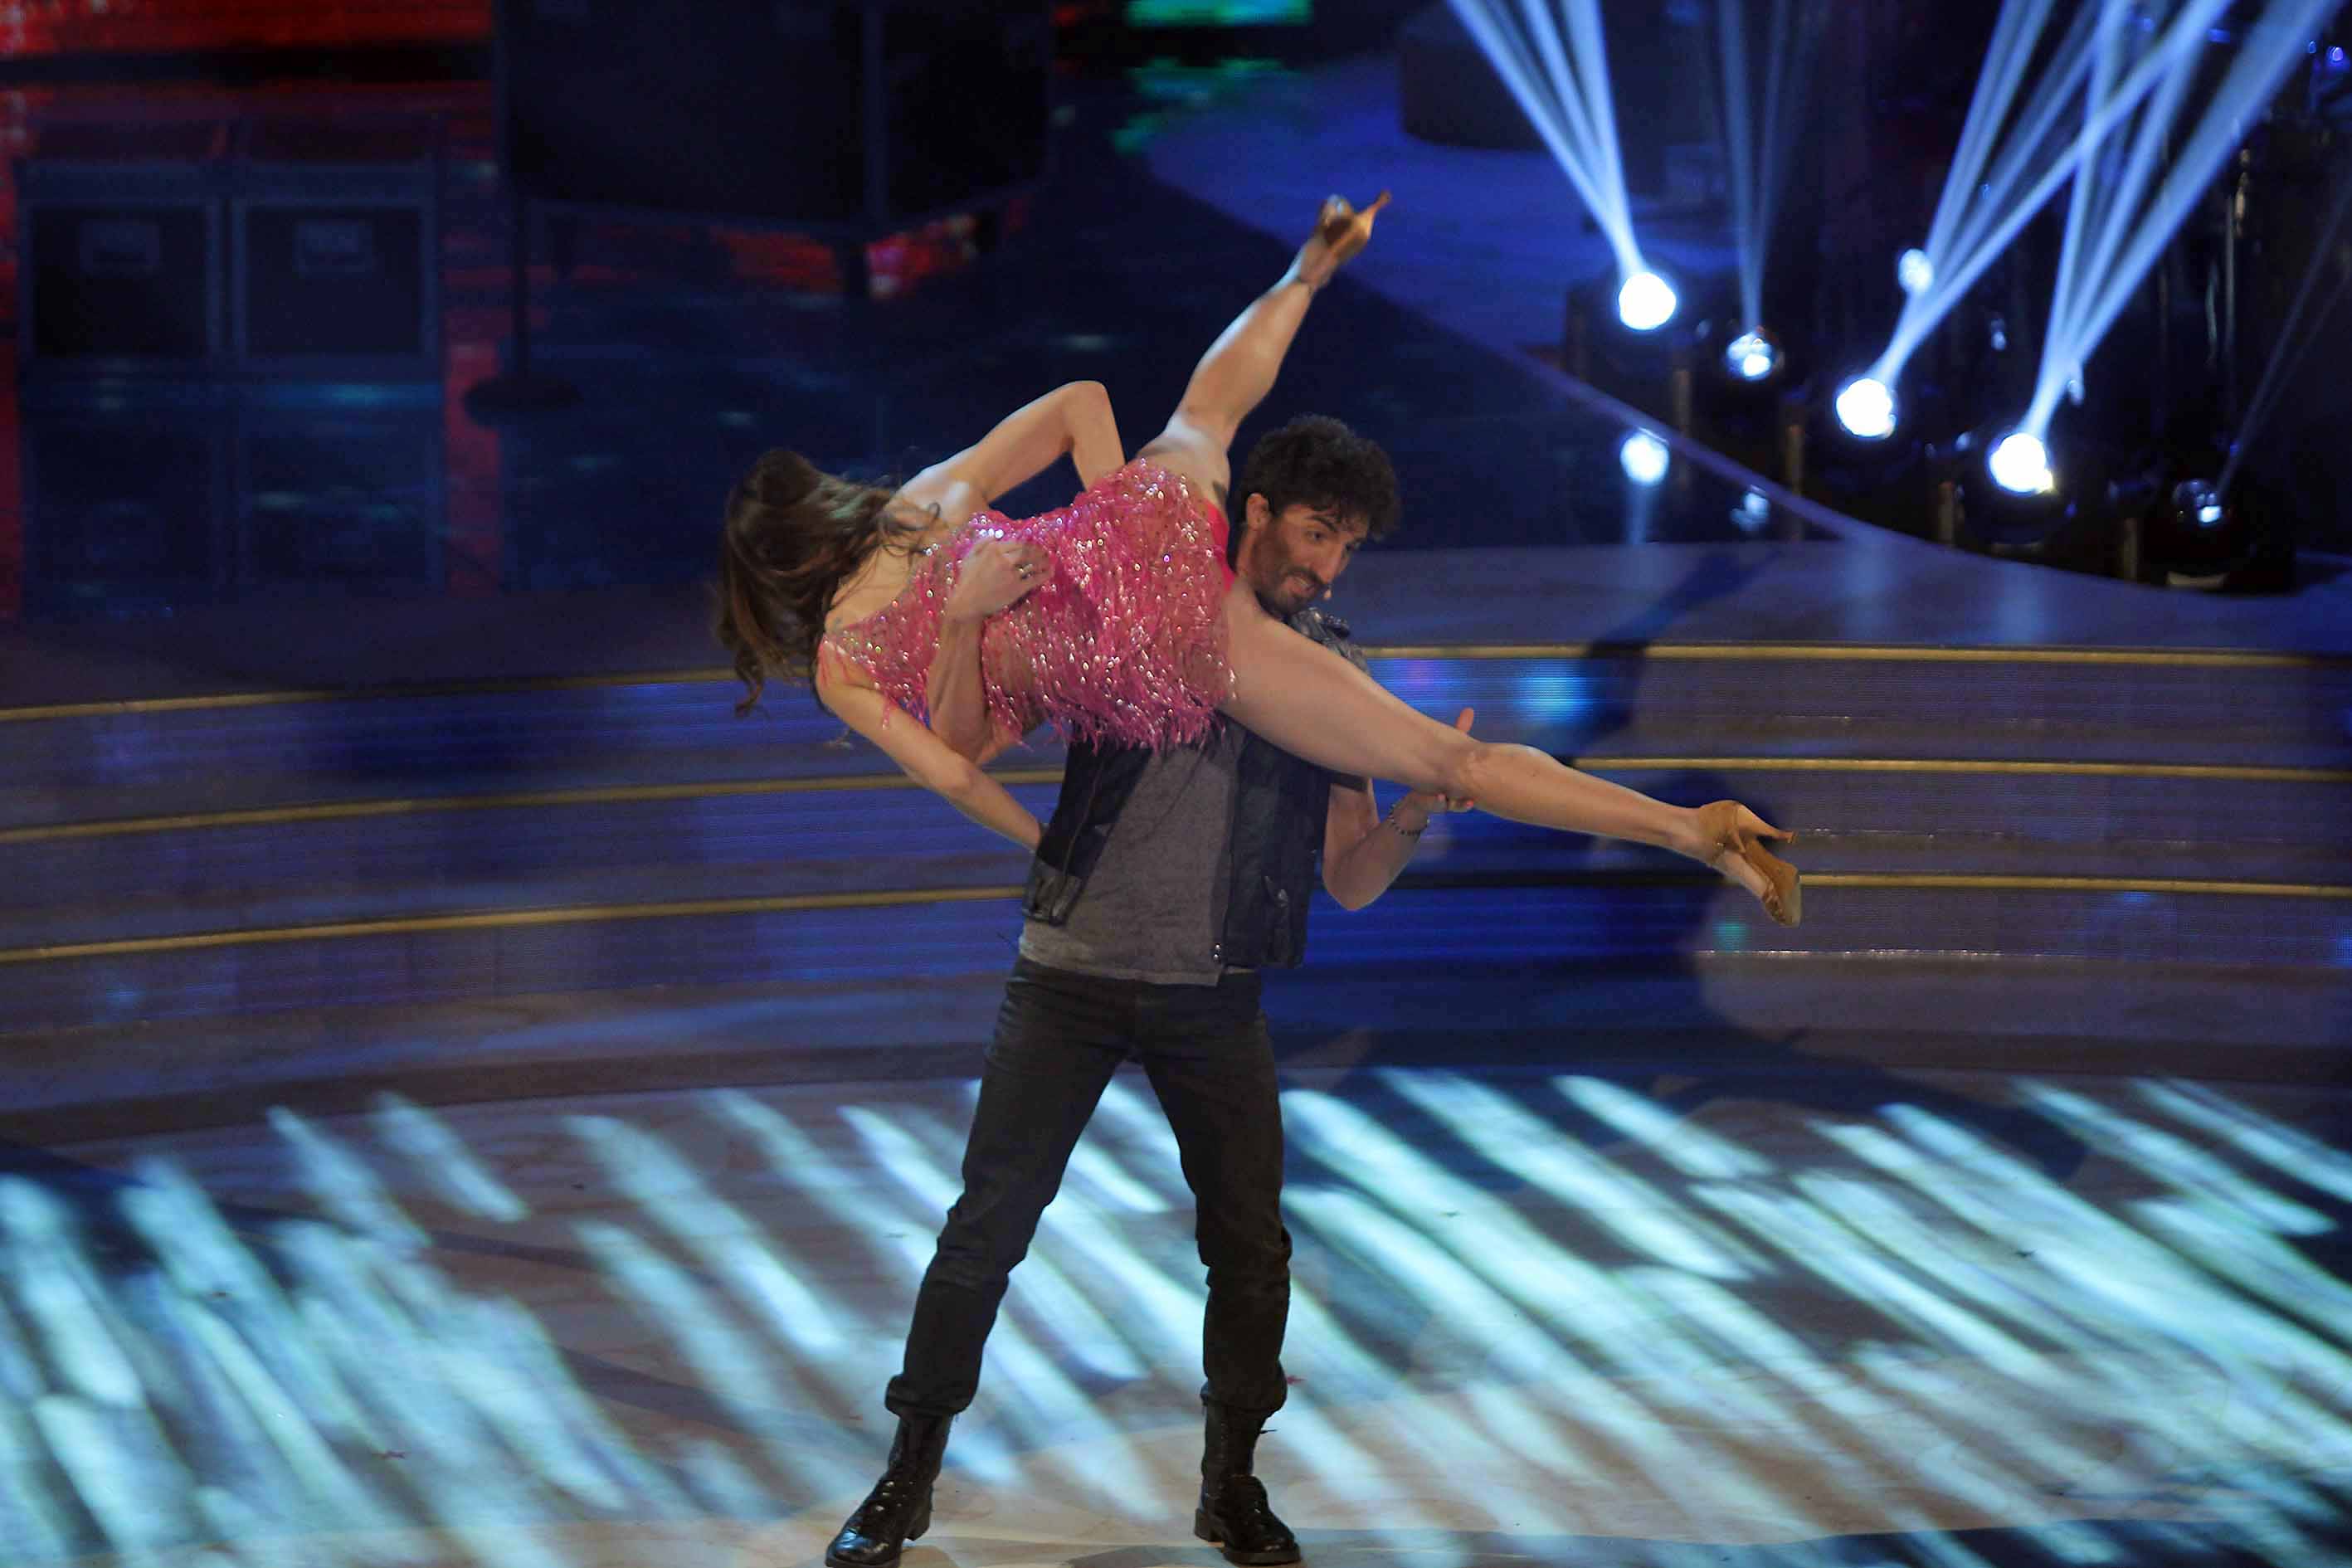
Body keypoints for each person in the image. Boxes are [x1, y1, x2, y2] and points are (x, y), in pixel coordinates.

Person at [714, 197, 1799, 1568]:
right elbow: (987, 703)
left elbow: (1351, 859)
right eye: (1319, 536)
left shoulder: (1272, 652)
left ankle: (1228, 1483)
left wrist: (1405, 811)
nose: (1329, 563)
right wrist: (1090, 535)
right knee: (986, 1228)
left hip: (1206, 964)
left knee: (1251, 1236)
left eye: (1345, 547)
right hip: (1079, 939)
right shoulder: (1130, 560)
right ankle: (906, 1475)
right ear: (1262, 519)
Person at [714, 196, 1799, 924]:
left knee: (1447, 761)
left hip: (1159, 642)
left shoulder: (842, 667)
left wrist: (1045, 840)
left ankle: (1689, 832)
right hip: (1146, 541)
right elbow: (1083, 399)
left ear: (775, 586)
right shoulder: (917, 507)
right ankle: (1308, 270)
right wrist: (1117, 526)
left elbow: (956, 761)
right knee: (1204, 420)